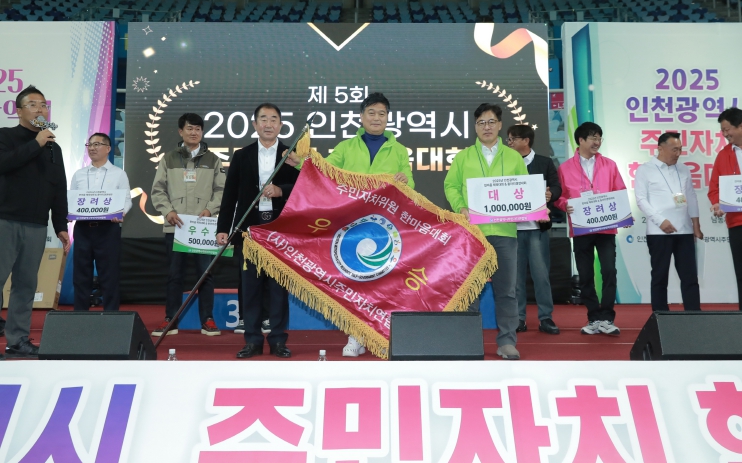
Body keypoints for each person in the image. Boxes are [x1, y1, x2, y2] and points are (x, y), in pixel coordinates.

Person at [287, 92, 414, 357]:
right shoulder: (346, 147)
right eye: (371, 113)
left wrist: (405, 181)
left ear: (388, 118)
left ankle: (382, 335)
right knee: (355, 281)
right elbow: (324, 172)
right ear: (361, 117)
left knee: (383, 283)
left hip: (385, 229)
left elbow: (410, 186)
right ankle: (355, 335)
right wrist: (302, 164)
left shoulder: (399, 150)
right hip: (352, 227)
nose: (376, 118)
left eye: (382, 114)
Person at [443, 103, 527, 360]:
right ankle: (469, 341)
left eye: (491, 122)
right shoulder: (464, 157)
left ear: (500, 125)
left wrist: (535, 202)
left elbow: (524, 189)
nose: (486, 127)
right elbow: (451, 185)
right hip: (473, 235)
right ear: (475, 127)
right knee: (470, 290)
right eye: (481, 123)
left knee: (507, 291)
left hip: (505, 232)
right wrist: (461, 207)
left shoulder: (513, 157)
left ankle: (507, 342)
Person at [217, 103, 299, 359]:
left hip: (279, 230)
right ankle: (252, 340)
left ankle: (278, 340)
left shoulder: (292, 154)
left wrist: (281, 191)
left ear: (281, 125)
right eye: (263, 119)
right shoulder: (242, 155)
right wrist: (223, 229)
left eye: (274, 119)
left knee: (277, 288)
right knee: (250, 288)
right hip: (249, 230)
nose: (268, 124)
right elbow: (230, 195)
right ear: (254, 124)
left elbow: (304, 188)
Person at [0, 85, 70, 359]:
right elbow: (5, 163)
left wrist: (61, 225)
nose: (40, 109)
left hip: (37, 225)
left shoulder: (54, 148)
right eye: (33, 105)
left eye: (43, 105)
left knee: (26, 284)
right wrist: (36, 143)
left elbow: (58, 187)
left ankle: (17, 340)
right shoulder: (6, 137)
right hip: (5, 220)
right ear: (18, 111)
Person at [150, 113, 225, 337]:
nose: (194, 132)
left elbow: (221, 190)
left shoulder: (213, 159)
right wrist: (168, 211)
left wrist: (210, 209)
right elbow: (158, 190)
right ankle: (170, 320)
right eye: (190, 128)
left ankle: (208, 320)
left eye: (198, 129)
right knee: (175, 275)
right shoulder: (168, 158)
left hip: (203, 226)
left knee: (206, 274)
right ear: (180, 131)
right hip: (177, 226)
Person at [554, 122, 626, 336]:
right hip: (581, 228)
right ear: (581, 140)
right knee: (585, 274)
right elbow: (559, 196)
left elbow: (620, 191)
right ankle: (593, 317)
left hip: (606, 228)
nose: (597, 142)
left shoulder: (609, 165)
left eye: (599, 138)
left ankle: (607, 317)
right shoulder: (565, 168)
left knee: (609, 271)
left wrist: (623, 214)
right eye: (593, 138)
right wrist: (564, 205)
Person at [635, 132, 703, 312]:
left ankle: (694, 316)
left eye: (680, 149)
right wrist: (660, 221)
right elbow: (641, 200)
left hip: (685, 231)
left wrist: (696, 225)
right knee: (660, 276)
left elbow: (691, 197)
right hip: (659, 232)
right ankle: (661, 316)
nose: (678, 153)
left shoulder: (684, 169)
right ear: (660, 148)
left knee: (690, 277)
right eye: (674, 149)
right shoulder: (645, 169)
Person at [506, 124, 562, 334]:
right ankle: (519, 318)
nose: (509, 143)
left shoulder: (544, 162)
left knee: (541, 275)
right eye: (508, 139)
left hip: (537, 227)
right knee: (516, 278)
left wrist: (550, 194)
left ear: (526, 141)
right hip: (512, 228)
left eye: (512, 139)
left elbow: (557, 186)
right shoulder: (504, 163)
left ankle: (546, 317)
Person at [70, 133, 132, 312]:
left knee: (109, 275)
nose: (92, 148)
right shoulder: (79, 174)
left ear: (108, 148)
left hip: (108, 229)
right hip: (83, 229)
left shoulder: (119, 174)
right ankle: (80, 315)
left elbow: (127, 199)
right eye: (89, 144)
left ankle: (111, 315)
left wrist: (121, 212)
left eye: (97, 144)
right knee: (81, 275)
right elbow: (73, 198)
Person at [709, 107, 742, 309]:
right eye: (722, 130)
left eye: (727, 129)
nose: (724, 134)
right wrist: (717, 203)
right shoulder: (723, 155)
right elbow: (714, 188)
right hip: (737, 223)